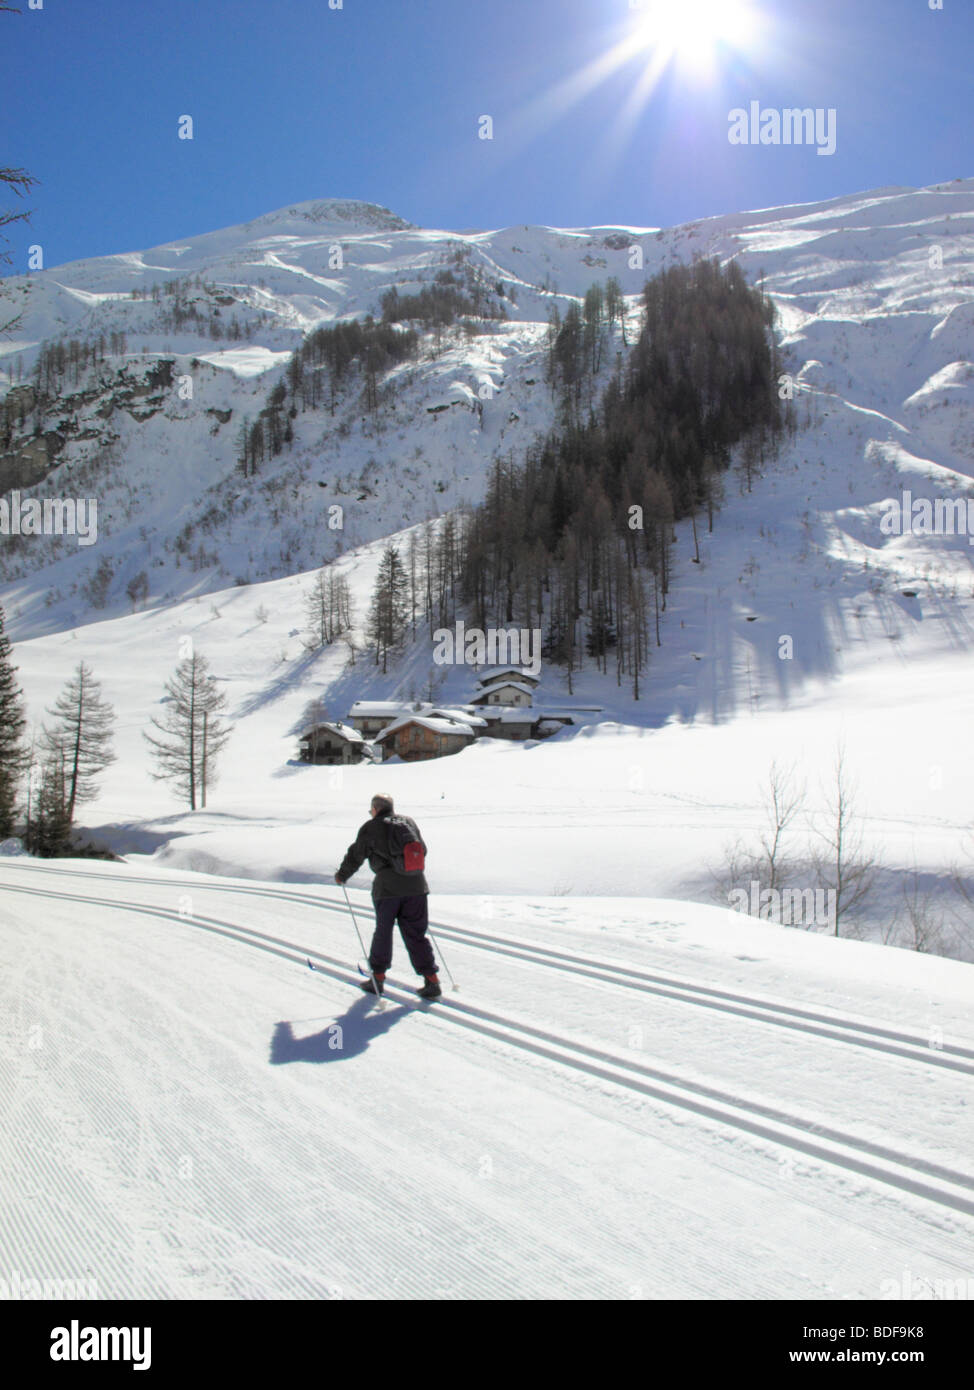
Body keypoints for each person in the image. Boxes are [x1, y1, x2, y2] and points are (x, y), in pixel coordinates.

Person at [334, 793, 441, 999]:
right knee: (416, 934)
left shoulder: (371, 826)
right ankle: (432, 981)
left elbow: (357, 854)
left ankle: (378, 979)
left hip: (388, 889)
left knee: (383, 932)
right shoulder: (408, 822)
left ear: (375, 808)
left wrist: (342, 875)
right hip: (417, 886)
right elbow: (422, 850)